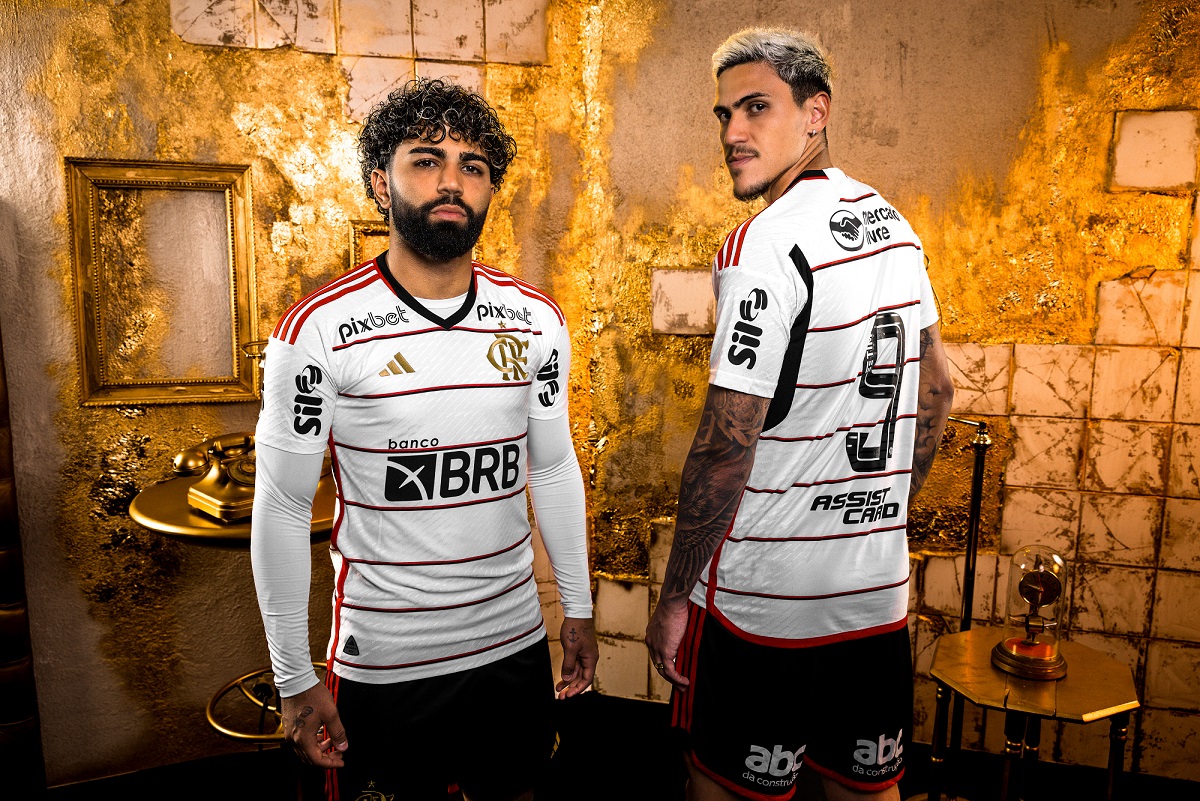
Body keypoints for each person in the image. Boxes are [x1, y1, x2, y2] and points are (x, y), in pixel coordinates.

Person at [251, 78, 597, 801]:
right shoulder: (317, 330)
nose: (451, 181)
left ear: (490, 189)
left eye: (473, 166)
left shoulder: (536, 319)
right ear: (381, 183)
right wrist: (292, 676)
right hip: (387, 663)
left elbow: (553, 467)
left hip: (513, 646)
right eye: (426, 160)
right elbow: (281, 505)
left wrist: (580, 607)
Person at [646, 29, 954, 801]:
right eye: (725, 114)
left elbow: (726, 444)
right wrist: (875, 513)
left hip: (763, 607)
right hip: (874, 595)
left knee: (723, 788)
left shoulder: (762, 244)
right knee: (864, 790)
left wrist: (676, 593)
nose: (733, 133)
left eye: (757, 108)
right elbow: (938, 393)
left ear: (816, 114)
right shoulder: (895, 226)